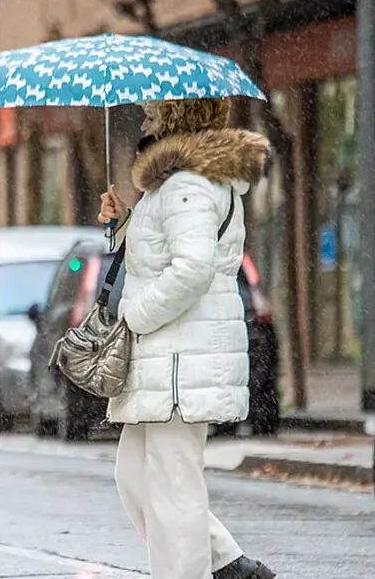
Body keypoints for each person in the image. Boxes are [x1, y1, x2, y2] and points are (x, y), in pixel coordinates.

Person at [98, 98, 275, 579]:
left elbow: (192, 270)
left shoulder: (188, 185)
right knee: (136, 477)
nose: (147, 118)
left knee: (174, 488)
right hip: (166, 358)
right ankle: (228, 564)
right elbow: (158, 254)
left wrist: (134, 315)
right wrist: (121, 223)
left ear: (180, 117)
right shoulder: (175, 184)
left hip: (180, 360)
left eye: (156, 112)